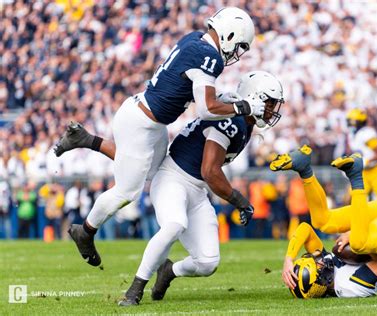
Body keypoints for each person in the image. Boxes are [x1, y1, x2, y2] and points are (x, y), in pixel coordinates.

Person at [53, 7, 263, 267]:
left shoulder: (195, 39)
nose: (237, 53)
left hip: (148, 119)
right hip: (141, 124)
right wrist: (243, 107)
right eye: (240, 45)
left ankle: (86, 140)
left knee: (152, 171)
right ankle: (85, 231)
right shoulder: (210, 57)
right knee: (127, 192)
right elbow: (206, 109)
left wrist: (224, 100)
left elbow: (196, 90)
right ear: (230, 33)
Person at [117, 71, 284, 305]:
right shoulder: (233, 120)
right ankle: (135, 289)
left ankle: (169, 271)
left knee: (207, 262)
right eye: (269, 103)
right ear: (254, 96)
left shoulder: (241, 121)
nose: (271, 109)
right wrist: (239, 200)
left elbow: (207, 174)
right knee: (174, 225)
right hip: (172, 178)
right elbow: (210, 171)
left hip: (197, 190)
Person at [270, 146, 377, 298]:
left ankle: (305, 170)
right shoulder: (348, 287)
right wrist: (352, 234)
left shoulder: (324, 268)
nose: (317, 259)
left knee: (322, 221)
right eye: (317, 265)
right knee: (358, 243)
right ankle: (356, 177)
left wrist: (289, 258)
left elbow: (305, 228)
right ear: (322, 280)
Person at [346, 109, 377, 199]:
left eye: (353, 121)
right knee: (353, 198)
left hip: (376, 169)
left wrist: (367, 160)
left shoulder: (366, 133)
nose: (350, 124)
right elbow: (353, 152)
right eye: (349, 121)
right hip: (362, 171)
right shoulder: (351, 135)